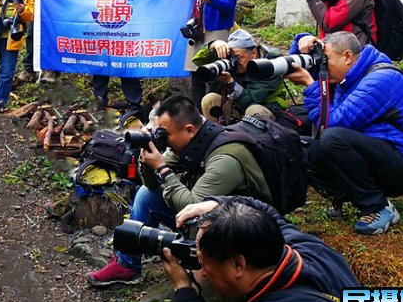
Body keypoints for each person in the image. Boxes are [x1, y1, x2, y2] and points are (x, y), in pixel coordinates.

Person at [86, 96, 271, 291]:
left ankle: (193, 287)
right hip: (211, 212)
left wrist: (162, 168)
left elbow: (192, 206)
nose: (161, 138)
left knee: (191, 217)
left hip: (243, 227)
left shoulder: (225, 160)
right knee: (145, 195)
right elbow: (150, 184)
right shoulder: (187, 140)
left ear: (189, 130)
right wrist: (148, 160)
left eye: (165, 134)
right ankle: (127, 265)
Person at [160, 196, 393, 302]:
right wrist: (216, 204)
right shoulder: (304, 247)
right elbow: (264, 209)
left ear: (237, 264)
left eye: (203, 263)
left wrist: (184, 291)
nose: (204, 273)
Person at [285, 31, 403, 235]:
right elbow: (295, 66)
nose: (323, 65)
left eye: (327, 59)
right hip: (375, 151)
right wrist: (301, 42)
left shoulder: (380, 80)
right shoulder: (349, 73)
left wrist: (309, 84)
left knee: (332, 138)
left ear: (348, 56)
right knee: (298, 145)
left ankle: (378, 207)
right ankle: (345, 196)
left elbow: (331, 122)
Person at [195, 29, 289, 123]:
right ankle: (217, 135)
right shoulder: (234, 64)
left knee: (253, 110)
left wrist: (230, 83)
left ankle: (253, 137)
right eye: (231, 57)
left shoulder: (269, 66)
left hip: (265, 111)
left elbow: (250, 101)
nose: (234, 62)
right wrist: (213, 45)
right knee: (210, 99)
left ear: (253, 54)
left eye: (238, 57)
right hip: (237, 107)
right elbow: (197, 61)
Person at [190, 0, 238, 110]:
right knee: (195, 72)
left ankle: (214, 113)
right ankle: (196, 112)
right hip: (200, 31)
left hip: (217, 31)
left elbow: (229, 6)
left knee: (215, 73)